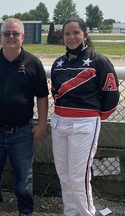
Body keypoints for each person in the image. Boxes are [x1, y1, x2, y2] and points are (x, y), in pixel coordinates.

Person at [0, 18, 49, 216]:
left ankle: (25, 210)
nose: (11, 37)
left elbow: (42, 96)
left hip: (23, 132)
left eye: (15, 34)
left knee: (25, 178)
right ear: (0, 36)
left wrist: (42, 124)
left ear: (23, 37)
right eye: (7, 33)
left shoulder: (33, 63)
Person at [50, 17, 120, 216]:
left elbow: (111, 95)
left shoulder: (99, 61)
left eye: (76, 33)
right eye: (67, 33)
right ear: (62, 37)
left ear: (85, 35)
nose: (71, 37)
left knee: (78, 177)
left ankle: (87, 213)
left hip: (84, 124)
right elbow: (56, 92)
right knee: (64, 175)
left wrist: (93, 117)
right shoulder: (58, 63)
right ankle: (70, 212)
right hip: (58, 122)